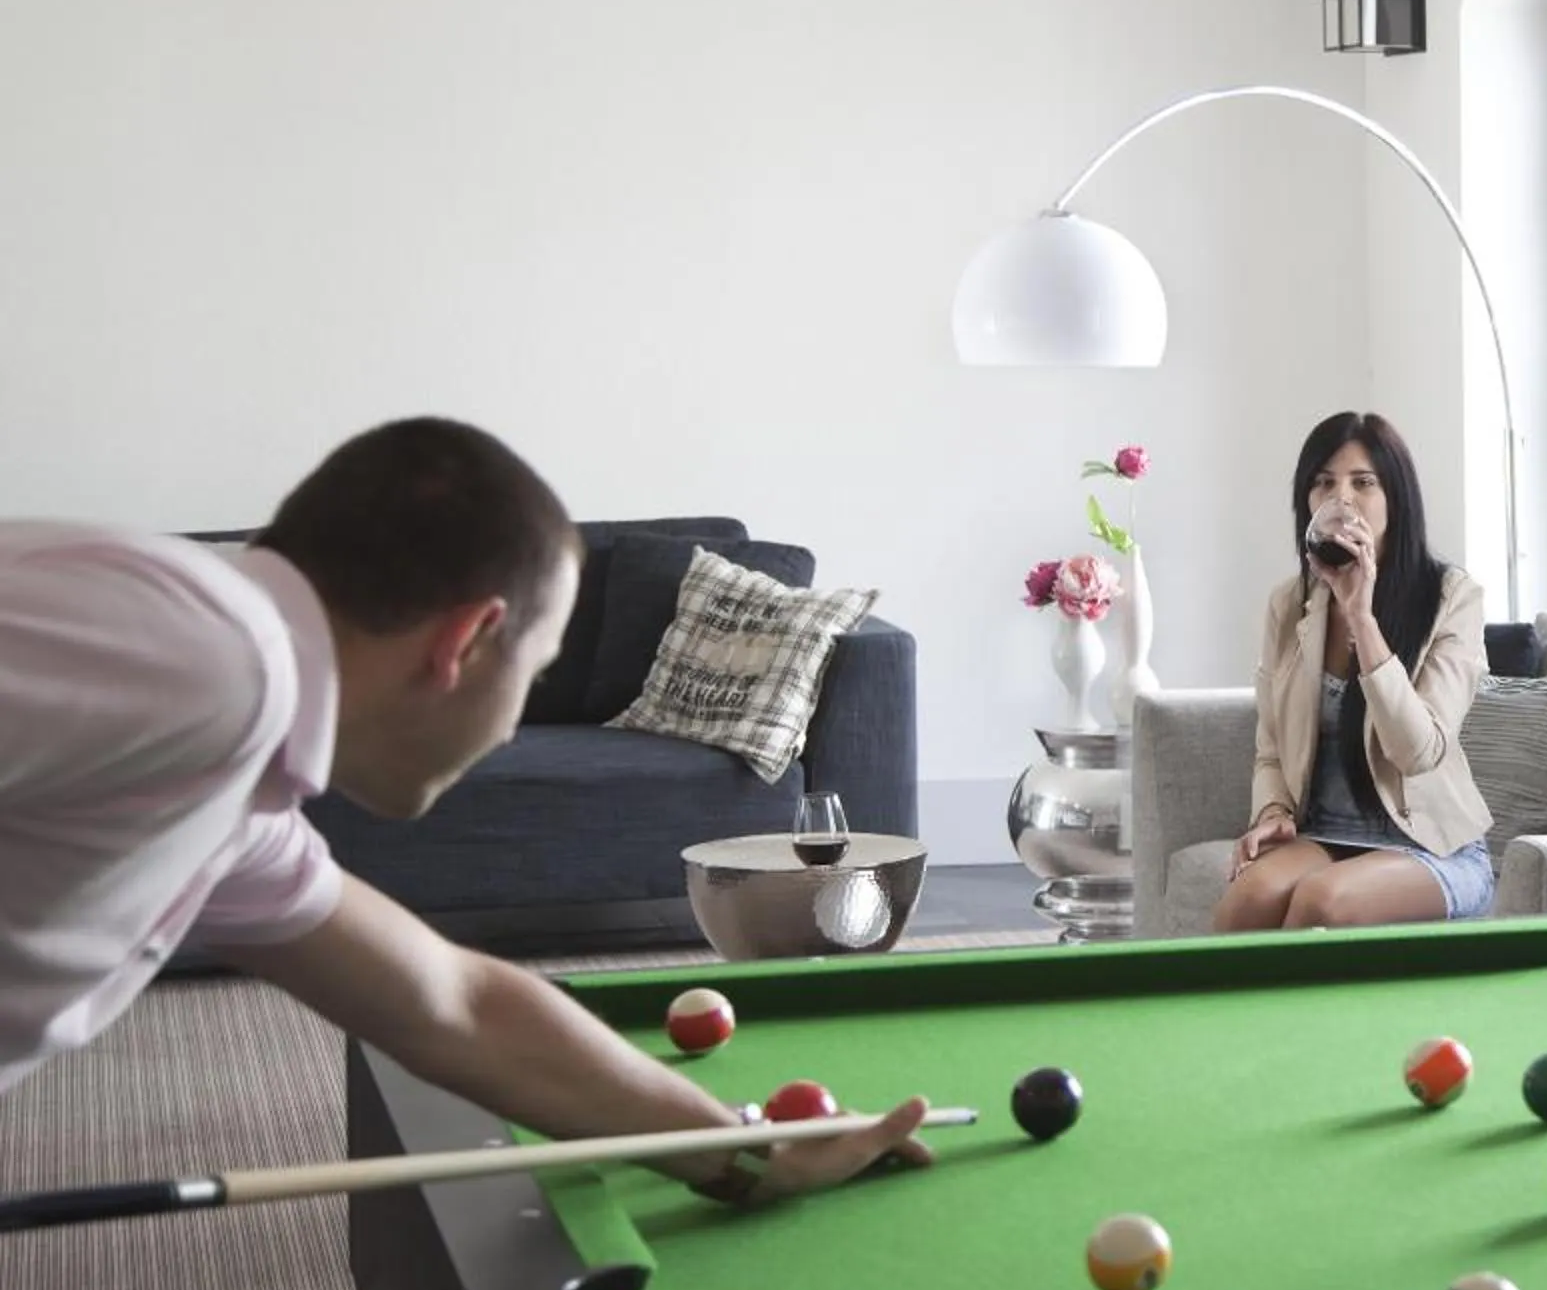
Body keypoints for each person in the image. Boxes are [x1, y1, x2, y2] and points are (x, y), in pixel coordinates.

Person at [0, 418, 926, 1207]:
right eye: (532, 671)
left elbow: (455, 1007)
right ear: (469, 641)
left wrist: (748, 1150)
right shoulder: (210, 663)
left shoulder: (224, 768)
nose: (514, 718)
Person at [1214, 411, 1494, 931]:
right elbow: (1271, 747)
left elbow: (1420, 752)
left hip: (1428, 845)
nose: (1341, 499)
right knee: (1246, 900)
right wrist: (1273, 814)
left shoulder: (1453, 598)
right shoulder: (1289, 604)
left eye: (1363, 483)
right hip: (1324, 833)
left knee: (1322, 902)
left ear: (1396, 499)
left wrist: (1362, 618)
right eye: (1324, 483)